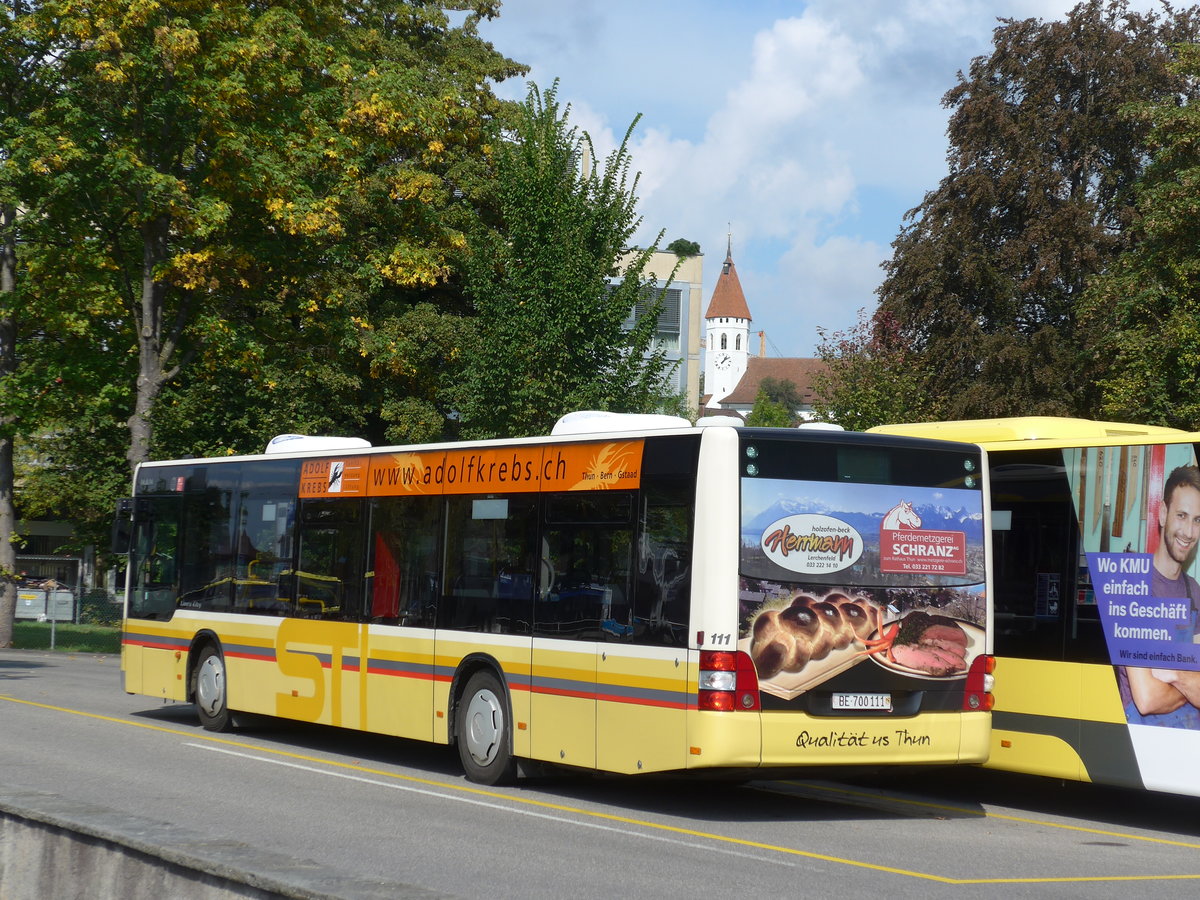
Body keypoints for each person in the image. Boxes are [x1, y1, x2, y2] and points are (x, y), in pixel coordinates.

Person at [1119, 464, 1200, 727]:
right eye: (1182, 515)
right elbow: (1147, 698)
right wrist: (1189, 682)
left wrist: (1172, 672)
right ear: (1163, 514)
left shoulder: (1194, 591)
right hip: (1143, 743)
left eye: (1197, 520)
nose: (1189, 532)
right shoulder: (1130, 583)